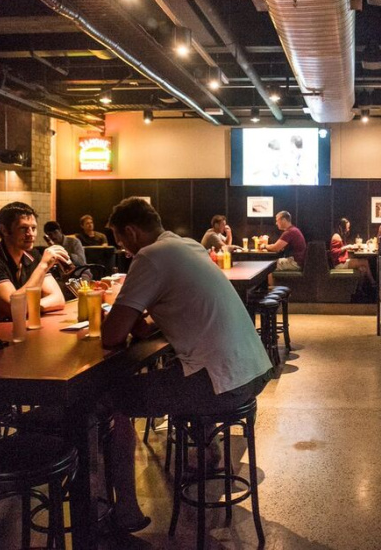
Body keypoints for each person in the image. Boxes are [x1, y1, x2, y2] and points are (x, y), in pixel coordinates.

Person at [101, 197, 273, 532]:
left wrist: (123, 313)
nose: (123, 250)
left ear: (132, 232)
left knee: (109, 399)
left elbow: (112, 335)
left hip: (222, 383)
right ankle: (208, 454)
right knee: (183, 369)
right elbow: (150, 324)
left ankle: (125, 510)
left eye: (120, 241)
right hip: (252, 369)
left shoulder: (149, 256)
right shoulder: (189, 246)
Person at [0, 202, 68, 320]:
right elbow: (14, 308)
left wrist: (27, 308)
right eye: (23, 228)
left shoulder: (33, 255)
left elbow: (59, 299)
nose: (30, 234)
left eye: (33, 228)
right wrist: (43, 266)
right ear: (4, 230)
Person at [329, 218, 375, 285]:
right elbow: (334, 253)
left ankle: (358, 289)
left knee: (363, 269)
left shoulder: (339, 236)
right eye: (347, 227)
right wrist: (347, 247)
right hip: (339, 265)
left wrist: (351, 247)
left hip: (342, 262)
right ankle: (373, 282)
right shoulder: (336, 237)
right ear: (342, 227)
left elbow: (342, 250)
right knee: (365, 261)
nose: (348, 229)